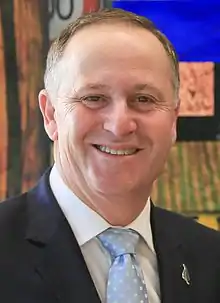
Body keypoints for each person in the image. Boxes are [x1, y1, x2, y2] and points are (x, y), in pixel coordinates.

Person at [0, 8, 220, 303]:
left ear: (174, 119)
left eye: (144, 99)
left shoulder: (212, 258)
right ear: (50, 114)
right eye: (94, 98)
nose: (119, 126)